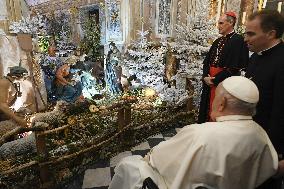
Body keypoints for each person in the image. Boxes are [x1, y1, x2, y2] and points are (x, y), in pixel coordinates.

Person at [109, 76, 278, 189]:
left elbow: (159, 159)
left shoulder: (199, 133)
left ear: (222, 104)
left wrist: (150, 155)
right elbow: (270, 167)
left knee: (128, 165)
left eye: (216, 97)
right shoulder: (259, 133)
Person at [244, 10, 284, 189]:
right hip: (249, 141)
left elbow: (280, 112)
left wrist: (277, 154)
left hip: (269, 147)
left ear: (271, 34)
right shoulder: (256, 57)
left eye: (251, 33)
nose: (245, 38)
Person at [198, 11, 249, 123]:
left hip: (224, 84)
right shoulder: (217, 41)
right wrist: (205, 76)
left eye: (221, 23)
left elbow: (235, 67)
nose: (218, 26)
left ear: (230, 23)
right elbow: (207, 62)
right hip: (210, 81)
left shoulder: (238, 40)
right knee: (207, 111)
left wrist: (215, 79)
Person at [0, 66, 28, 137]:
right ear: (16, 76)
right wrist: (17, 119)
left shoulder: (13, 83)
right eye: (24, 76)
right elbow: (2, 105)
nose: (25, 79)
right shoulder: (4, 83)